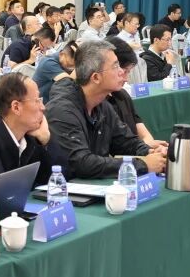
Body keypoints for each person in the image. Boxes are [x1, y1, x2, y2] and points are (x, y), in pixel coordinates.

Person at [44, 40, 165, 180]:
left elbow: (125, 142)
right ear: (96, 77)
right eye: (115, 66)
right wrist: (142, 165)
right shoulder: (62, 110)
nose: (121, 72)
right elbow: (82, 163)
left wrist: (151, 152)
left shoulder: (102, 105)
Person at [106, 39, 169, 151]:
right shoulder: (98, 103)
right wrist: (145, 150)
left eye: (128, 72)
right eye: (124, 71)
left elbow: (143, 134)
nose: (126, 78)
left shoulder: (122, 95)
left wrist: (151, 149)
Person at [33, 38, 77, 102]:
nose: (70, 69)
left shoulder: (64, 61)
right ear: (61, 54)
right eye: (69, 65)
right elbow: (68, 84)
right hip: (38, 103)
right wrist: (80, 63)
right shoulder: (48, 62)